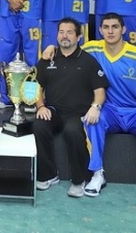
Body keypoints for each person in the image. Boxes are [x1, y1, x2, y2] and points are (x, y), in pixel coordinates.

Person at [46, 13, 136, 209]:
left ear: (123, 29)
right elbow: (69, 47)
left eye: (115, 27)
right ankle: (98, 174)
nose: (110, 31)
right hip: (109, 110)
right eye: (106, 27)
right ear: (100, 30)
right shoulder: (92, 49)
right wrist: (52, 48)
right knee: (92, 118)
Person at [33, 18, 108, 198]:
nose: (64, 36)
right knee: (38, 126)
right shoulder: (47, 59)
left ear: (78, 36)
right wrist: (40, 106)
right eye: (61, 32)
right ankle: (48, 175)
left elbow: (100, 91)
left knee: (72, 131)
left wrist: (95, 107)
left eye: (69, 32)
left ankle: (78, 180)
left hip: (78, 113)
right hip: (53, 110)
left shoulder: (88, 61)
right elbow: (34, 86)